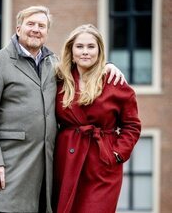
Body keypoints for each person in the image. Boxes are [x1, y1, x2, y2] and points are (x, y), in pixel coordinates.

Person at [0, 6, 125, 213]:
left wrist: (106, 65)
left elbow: (82, 64)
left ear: (46, 32)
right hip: (12, 164)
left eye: (41, 26)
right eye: (31, 24)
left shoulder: (54, 64)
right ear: (18, 28)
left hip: (48, 165)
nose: (36, 29)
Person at [53, 24, 141, 213]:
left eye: (91, 47)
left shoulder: (114, 82)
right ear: (71, 50)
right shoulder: (59, 79)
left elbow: (132, 125)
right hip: (67, 163)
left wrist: (116, 154)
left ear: (100, 50)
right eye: (80, 46)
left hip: (102, 165)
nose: (85, 52)